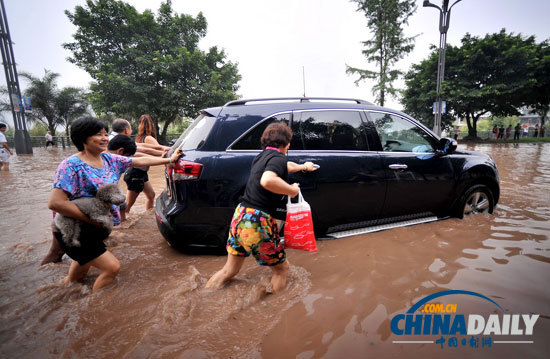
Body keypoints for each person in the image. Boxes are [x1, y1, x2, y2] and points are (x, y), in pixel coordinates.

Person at [44, 117, 182, 292]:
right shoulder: (70, 166)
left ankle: (59, 295)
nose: (104, 138)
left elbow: (138, 161)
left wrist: (169, 160)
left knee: (79, 271)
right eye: (97, 134)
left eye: (104, 133)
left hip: (95, 228)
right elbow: (55, 203)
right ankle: (96, 309)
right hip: (74, 229)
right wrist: (93, 220)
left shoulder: (109, 159)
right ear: (82, 138)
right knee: (111, 268)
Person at [206, 122, 318, 293]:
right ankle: (278, 308)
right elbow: (268, 180)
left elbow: (285, 166)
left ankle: (206, 294)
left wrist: (304, 166)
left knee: (229, 271)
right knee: (282, 270)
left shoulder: (261, 157)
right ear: (286, 143)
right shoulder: (279, 158)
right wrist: (293, 191)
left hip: (241, 216)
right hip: (257, 222)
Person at [124, 114, 167, 213]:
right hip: (136, 174)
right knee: (129, 204)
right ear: (151, 124)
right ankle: (120, 223)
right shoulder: (149, 138)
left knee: (151, 195)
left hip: (139, 172)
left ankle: (147, 215)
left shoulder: (139, 138)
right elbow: (160, 151)